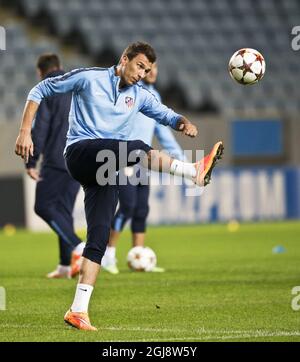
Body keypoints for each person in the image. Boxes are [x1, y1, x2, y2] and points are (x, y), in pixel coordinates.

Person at [15, 42, 223, 331]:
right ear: (124, 59)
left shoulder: (140, 96)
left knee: (99, 237)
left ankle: (78, 310)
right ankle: (193, 172)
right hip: (80, 153)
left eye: (147, 70)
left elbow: (166, 115)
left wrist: (182, 122)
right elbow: (39, 90)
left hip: (106, 168)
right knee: (137, 147)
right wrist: (25, 132)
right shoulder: (88, 78)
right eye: (139, 66)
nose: (142, 73)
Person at [101, 63, 186, 274]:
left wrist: (182, 161)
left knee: (141, 209)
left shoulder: (153, 96)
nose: (153, 72)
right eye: (148, 68)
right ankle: (108, 255)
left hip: (143, 162)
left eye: (155, 68)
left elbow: (163, 132)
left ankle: (138, 255)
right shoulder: (127, 91)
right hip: (122, 159)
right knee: (127, 206)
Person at [25, 53, 85, 279]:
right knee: (64, 212)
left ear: (41, 72)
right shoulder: (77, 86)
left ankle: (79, 246)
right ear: (60, 66)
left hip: (56, 161)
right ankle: (65, 265)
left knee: (43, 206)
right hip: (80, 160)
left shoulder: (48, 88)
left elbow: (40, 129)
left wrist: (31, 161)